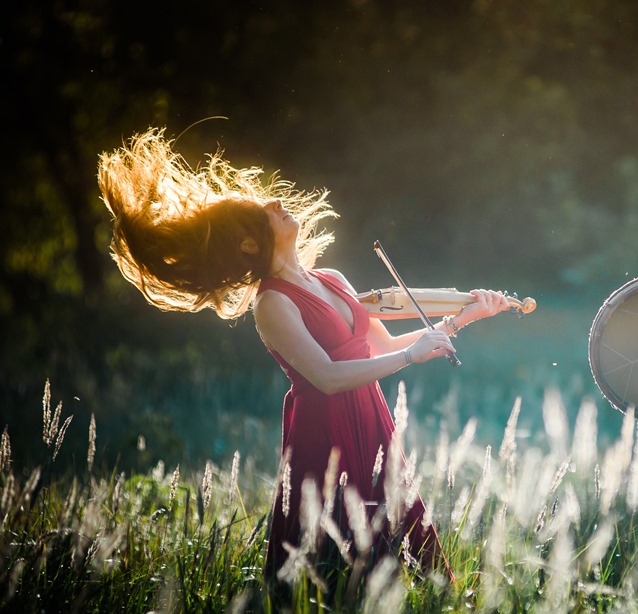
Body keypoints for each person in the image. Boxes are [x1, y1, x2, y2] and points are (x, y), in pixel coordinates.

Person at [97, 128, 514, 587]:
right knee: (333, 565)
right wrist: (411, 357)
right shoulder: (272, 303)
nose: (276, 202)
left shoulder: (331, 277)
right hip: (326, 434)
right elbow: (328, 376)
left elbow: (381, 348)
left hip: (371, 418)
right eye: (263, 213)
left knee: (406, 548)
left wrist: (461, 320)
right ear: (249, 244)